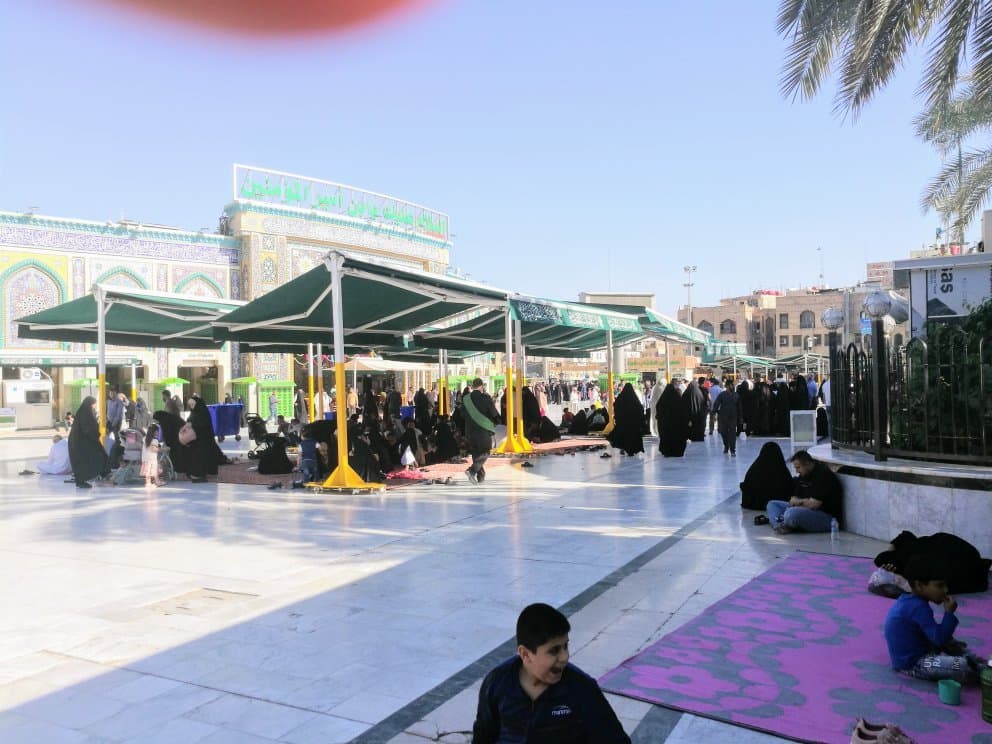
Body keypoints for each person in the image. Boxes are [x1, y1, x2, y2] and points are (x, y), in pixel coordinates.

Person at [472, 603, 630, 743]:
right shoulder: (497, 684)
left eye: (565, 646)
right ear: (525, 654)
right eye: (554, 650)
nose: (564, 657)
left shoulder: (581, 689)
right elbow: (483, 735)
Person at [883, 555, 983, 683]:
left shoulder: (910, 600)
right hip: (915, 664)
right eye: (939, 585)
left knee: (952, 644)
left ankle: (973, 662)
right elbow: (939, 639)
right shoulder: (917, 606)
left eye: (945, 585)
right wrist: (949, 613)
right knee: (960, 666)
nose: (945, 590)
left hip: (924, 651)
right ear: (919, 585)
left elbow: (933, 634)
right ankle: (977, 668)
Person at [766, 449, 843, 533]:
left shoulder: (823, 475)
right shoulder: (803, 475)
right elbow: (793, 499)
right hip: (804, 509)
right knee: (772, 504)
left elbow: (813, 505)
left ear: (807, 464)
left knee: (791, 514)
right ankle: (780, 526)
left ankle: (785, 522)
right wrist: (803, 501)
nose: (796, 471)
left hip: (826, 517)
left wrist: (800, 502)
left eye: (798, 467)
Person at [463, 377, 498, 485]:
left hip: (469, 430)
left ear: (473, 386)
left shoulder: (466, 398)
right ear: (481, 386)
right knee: (485, 451)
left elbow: (462, 414)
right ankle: (472, 471)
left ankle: (480, 476)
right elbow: (494, 413)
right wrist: (497, 421)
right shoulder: (485, 398)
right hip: (482, 430)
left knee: (476, 453)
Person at [68, 396, 109, 489]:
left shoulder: (84, 412)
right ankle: (82, 481)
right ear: (90, 404)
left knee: (98, 456)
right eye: (94, 404)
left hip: (83, 441)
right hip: (82, 442)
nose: (95, 406)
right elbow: (87, 428)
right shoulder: (85, 413)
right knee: (88, 459)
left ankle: (100, 475)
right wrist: (95, 434)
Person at [740, 442, 793, 510]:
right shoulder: (781, 469)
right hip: (777, 502)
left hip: (754, 504)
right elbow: (789, 488)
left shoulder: (754, 469)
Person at [185, 394, 225, 483]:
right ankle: (196, 475)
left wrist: (191, 425)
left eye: (192, 405)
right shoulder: (196, 412)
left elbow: (201, 425)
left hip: (202, 439)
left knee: (201, 456)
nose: (191, 407)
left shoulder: (201, 413)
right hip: (197, 440)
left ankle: (199, 474)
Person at [607, 383, 645, 456]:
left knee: (624, 435)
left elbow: (616, 406)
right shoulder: (634, 399)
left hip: (623, 422)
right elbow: (640, 409)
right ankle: (631, 450)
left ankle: (624, 448)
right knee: (632, 436)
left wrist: (618, 417)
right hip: (633, 423)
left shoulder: (621, 398)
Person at [656, 381, 689, 457]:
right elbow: (683, 412)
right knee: (677, 436)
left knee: (666, 436)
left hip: (665, 424)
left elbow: (658, 410)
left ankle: (667, 451)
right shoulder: (678, 399)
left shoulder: (662, 400)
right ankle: (677, 451)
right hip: (677, 425)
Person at [711, 381, 741, 456]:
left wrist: (741, 417)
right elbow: (716, 404)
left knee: (732, 434)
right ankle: (726, 446)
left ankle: (733, 450)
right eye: (731, 385)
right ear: (727, 386)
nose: (733, 387)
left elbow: (740, 407)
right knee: (723, 432)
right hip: (723, 417)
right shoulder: (722, 395)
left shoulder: (736, 395)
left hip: (733, 417)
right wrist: (714, 412)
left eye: (733, 385)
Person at [141, 423, 164, 487]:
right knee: (155, 472)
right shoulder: (154, 440)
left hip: (145, 458)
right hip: (152, 459)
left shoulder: (145, 438)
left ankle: (147, 483)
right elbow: (153, 449)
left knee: (147, 472)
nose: (157, 433)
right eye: (157, 432)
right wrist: (161, 449)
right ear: (154, 432)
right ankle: (157, 482)